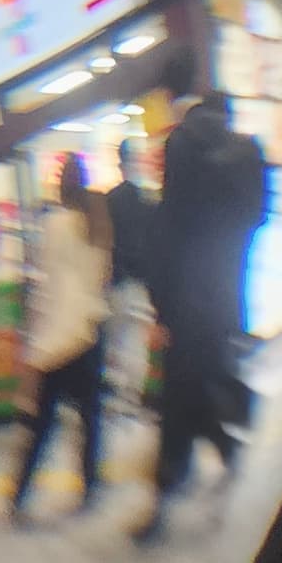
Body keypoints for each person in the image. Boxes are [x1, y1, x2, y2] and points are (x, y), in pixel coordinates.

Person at [136, 49, 271, 547]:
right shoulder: (247, 149)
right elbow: (259, 217)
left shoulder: (181, 145)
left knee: (179, 396)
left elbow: (169, 230)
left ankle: (163, 502)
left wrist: (161, 305)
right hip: (227, 293)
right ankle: (225, 452)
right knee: (203, 384)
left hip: (187, 298)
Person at [8, 158, 114, 524]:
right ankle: (90, 485)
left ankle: (17, 497)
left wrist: (33, 340)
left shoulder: (54, 225)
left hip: (59, 336)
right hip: (90, 328)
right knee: (90, 416)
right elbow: (102, 277)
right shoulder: (97, 223)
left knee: (42, 421)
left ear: (59, 186)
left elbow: (47, 285)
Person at [103, 138, 157, 418]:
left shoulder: (108, 201)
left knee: (118, 340)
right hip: (141, 281)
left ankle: (118, 393)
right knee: (135, 341)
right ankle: (130, 396)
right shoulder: (147, 201)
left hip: (116, 280)